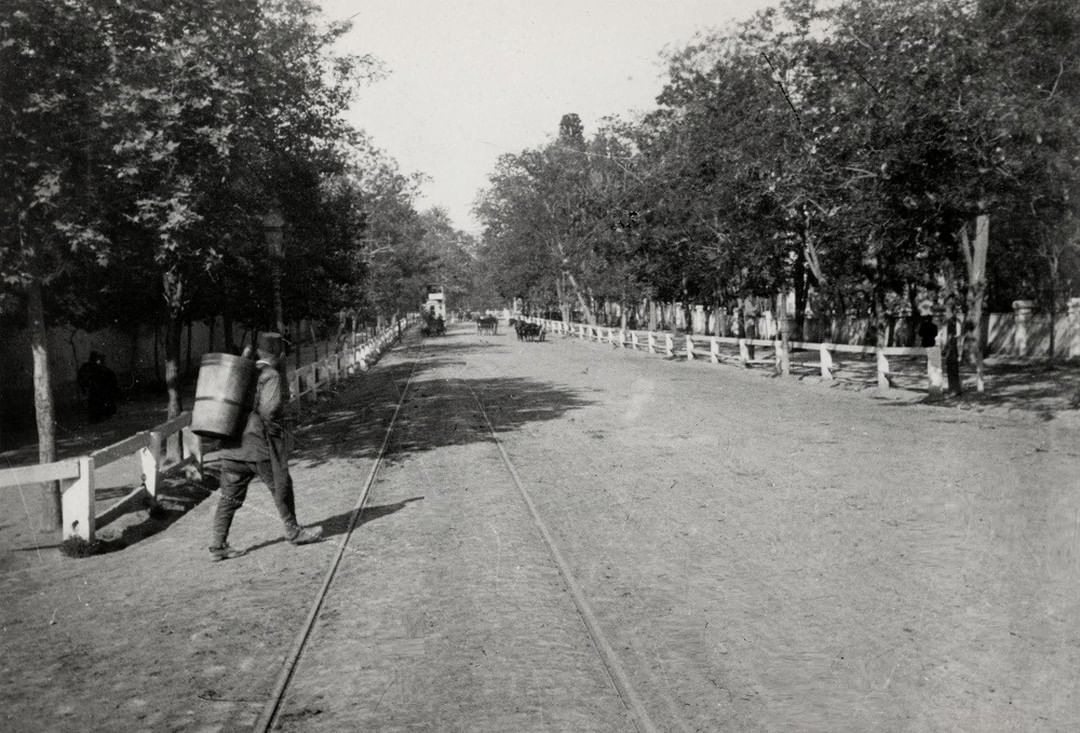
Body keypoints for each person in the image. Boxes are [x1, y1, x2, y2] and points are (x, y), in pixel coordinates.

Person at [208, 332, 322, 561]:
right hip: (258, 447)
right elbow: (269, 410)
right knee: (281, 486)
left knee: (229, 497)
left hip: (231, 446)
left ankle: (217, 545)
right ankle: (293, 531)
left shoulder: (240, 371)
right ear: (279, 353)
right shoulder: (270, 375)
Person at [77, 351, 120, 423]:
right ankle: (97, 417)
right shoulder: (89, 367)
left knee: (101, 402)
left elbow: (110, 376)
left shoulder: (99, 367)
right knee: (96, 403)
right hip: (95, 389)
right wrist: (84, 386)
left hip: (100, 389)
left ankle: (102, 415)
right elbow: (82, 377)